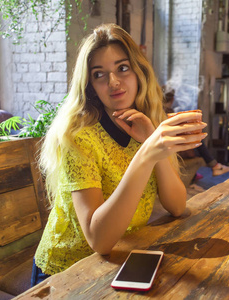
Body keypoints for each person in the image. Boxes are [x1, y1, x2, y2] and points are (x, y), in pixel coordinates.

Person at [31, 23, 207, 286]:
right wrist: (146, 154)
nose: (113, 82)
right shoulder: (77, 137)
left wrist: (150, 142)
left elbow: (177, 205)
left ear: (139, 73)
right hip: (66, 273)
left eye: (122, 68)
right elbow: (97, 239)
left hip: (121, 261)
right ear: (90, 85)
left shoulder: (146, 122)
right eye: (99, 74)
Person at [162, 87, 229, 177]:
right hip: (171, 149)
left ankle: (206, 170)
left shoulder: (161, 112)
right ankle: (215, 166)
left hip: (169, 146)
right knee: (198, 141)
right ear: (172, 99)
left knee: (197, 140)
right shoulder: (168, 113)